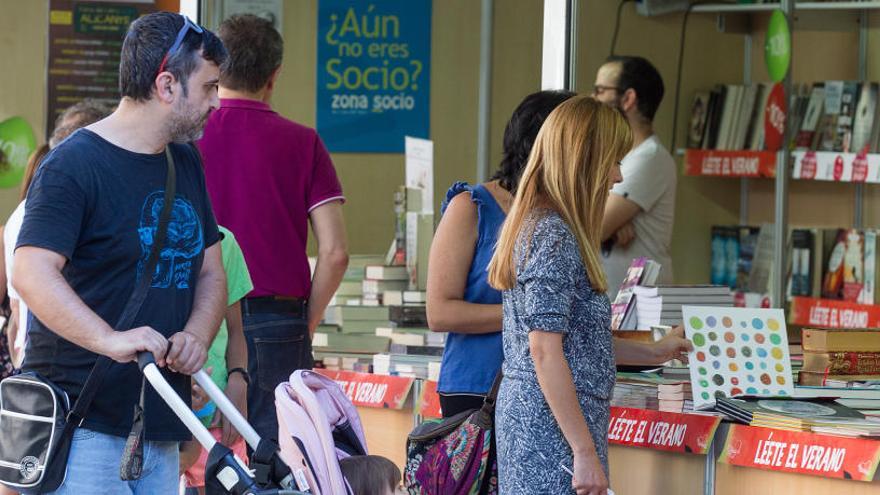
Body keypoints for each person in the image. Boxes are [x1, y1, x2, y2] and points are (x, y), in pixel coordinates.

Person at [13, 13, 227, 494]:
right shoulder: (74, 165)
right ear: (167, 84)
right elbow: (30, 271)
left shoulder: (185, 160)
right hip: (82, 427)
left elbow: (211, 271)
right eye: (210, 86)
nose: (217, 100)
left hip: (159, 424)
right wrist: (109, 338)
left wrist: (196, 334)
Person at [427, 90, 691, 418]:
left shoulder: (563, 220)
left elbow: (577, 334)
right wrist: (541, 315)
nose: (615, 174)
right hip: (479, 386)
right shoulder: (472, 207)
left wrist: (652, 352)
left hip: (550, 391)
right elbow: (439, 313)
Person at [198, 14, 349, 443]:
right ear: (275, 75)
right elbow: (335, 252)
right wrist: (307, 322)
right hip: (278, 318)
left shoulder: (187, 139)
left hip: (200, 317)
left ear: (216, 66)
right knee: (281, 459)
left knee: (202, 457)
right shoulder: (303, 143)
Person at [486, 96, 631, 495]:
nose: (618, 177)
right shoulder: (554, 236)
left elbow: (579, 345)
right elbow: (545, 351)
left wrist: (658, 352)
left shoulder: (541, 226)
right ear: (585, 162)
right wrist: (584, 452)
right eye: (613, 161)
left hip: (544, 424)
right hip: (552, 433)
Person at [4, 99, 113, 368]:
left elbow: (17, 314)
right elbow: (27, 283)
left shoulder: (22, 212)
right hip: (67, 366)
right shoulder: (65, 209)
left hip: (37, 364)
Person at [593, 56, 677, 297]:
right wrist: (610, 222)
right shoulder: (621, 155)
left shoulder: (649, 158)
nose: (592, 98)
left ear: (628, 98)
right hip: (619, 305)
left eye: (600, 90)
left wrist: (605, 224)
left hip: (641, 310)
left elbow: (595, 227)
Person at [181, 226, 252, 494]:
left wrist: (238, 380)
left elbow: (236, 330)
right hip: (157, 416)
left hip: (218, 414)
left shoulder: (222, 240)